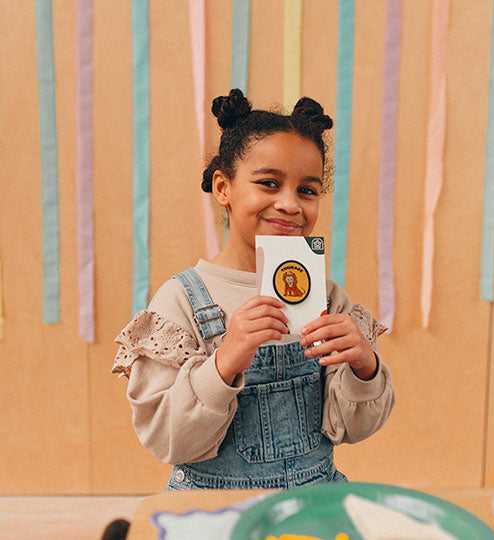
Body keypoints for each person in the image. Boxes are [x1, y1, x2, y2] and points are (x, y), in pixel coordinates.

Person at [112, 89, 395, 490]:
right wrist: (225, 361)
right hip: (213, 509)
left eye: (307, 190)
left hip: (309, 503)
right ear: (223, 188)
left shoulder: (327, 298)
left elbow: (352, 428)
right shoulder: (182, 301)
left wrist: (364, 368)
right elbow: (166, 439)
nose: (290, 204)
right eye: (268, 183)